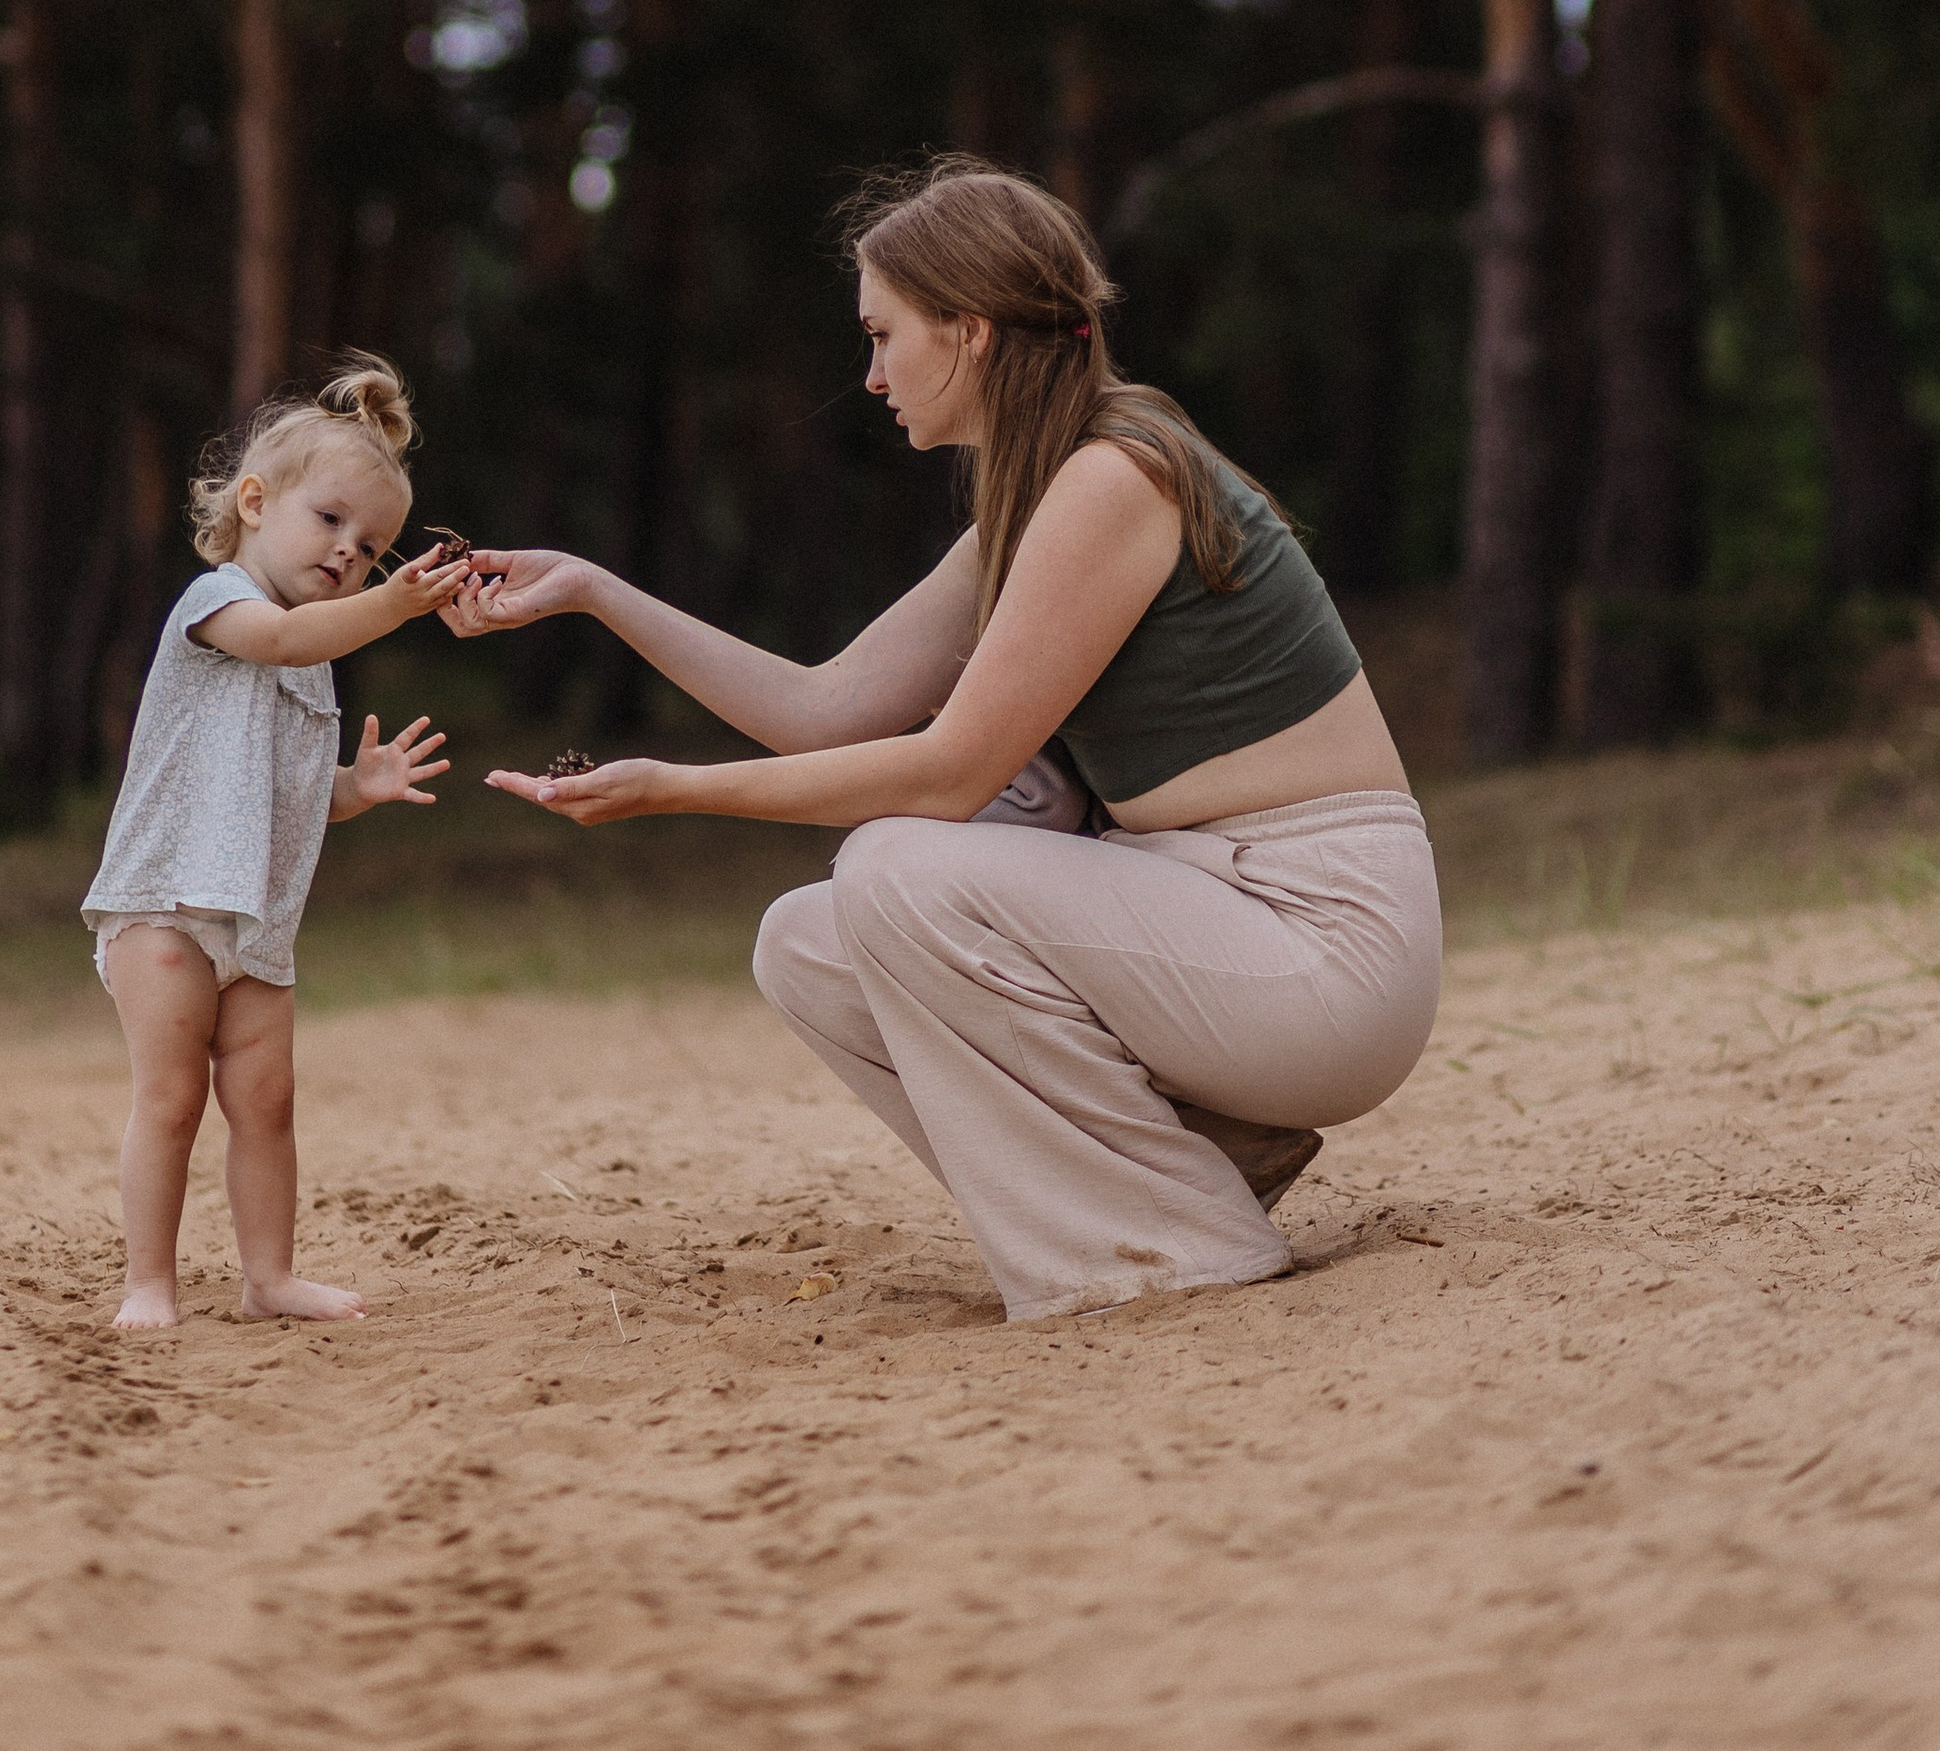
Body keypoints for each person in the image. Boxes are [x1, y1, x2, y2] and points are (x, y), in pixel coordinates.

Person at [458, 160, 1440, 1326]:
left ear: (967, 332)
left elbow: (950, 773)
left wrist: (676, 790)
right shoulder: (1032, 500)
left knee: (896, 870)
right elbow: (825, 707)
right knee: (809, 942)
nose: (869, 375)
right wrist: (592, 592)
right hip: (1210, 915)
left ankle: (1171, 1241)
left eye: (883, 336)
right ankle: (1201, 1162)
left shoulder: (1113, 477)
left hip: (1320, 940)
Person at [84, 353, 474, 1329]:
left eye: (374, 544)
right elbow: (290, 639)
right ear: (254, 502)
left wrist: (356, 787)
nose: (351, 550)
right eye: (331, 520)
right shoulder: (219, 607)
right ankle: (149, 1283)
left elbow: (286, 793)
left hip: (257, 929)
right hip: (166, 906)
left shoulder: (314, 659)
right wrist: (393, 604)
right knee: (171, 1102)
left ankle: (268, 1278)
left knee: (266, 1103)